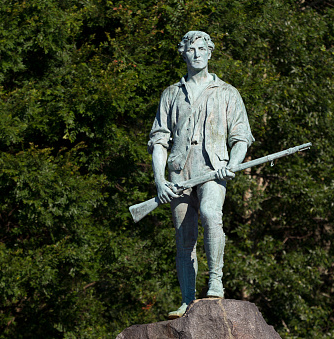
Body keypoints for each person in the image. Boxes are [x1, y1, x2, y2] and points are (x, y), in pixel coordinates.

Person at [148, 31, 254, 319]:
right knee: (184, 237)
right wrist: (160, 181)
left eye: (201, 49)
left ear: (210, 52)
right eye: (190, 49)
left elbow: (241, 137)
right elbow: (159, 141)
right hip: (179, 174)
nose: (196, 54)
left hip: (213, 170)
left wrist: (231, 164)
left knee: (210, 212)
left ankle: (216, 281)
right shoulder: (171, 94)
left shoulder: (228, 92)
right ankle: (187, 300)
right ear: (183, 53)